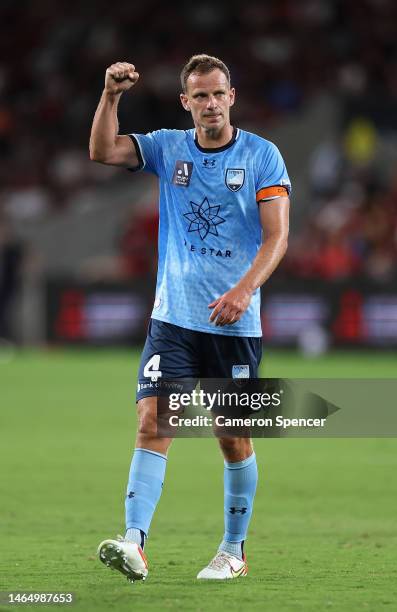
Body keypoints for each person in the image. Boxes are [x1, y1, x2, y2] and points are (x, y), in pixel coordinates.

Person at [89, 54, 291, 582]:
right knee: (152, 423)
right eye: (199, 96)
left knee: (233, 438)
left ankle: (233, 549)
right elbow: (103, 150)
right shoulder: (167, 147)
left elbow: (277, 237)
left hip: (234, 325)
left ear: (232, 97)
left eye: (217, 93)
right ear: (186, 103)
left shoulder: (263, 157)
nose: (210, 104)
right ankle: (134, 542)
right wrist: (111, 95)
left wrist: (245, 290)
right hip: (173, 319)